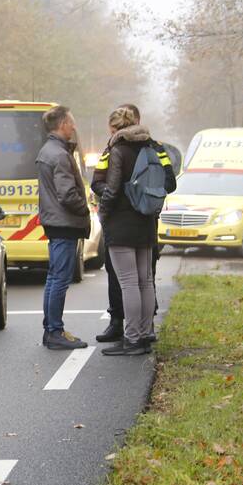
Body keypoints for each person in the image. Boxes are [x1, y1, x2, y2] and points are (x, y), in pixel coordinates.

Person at [93, 106, 175, 355]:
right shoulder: (154, 147)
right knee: (145, 281)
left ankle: (132, 339)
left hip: (122, 222)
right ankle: (145, 333)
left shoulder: (117, 149)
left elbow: (113, 187)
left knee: (128, 282)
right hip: (147, 220)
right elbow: (169, 182)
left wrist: (104, 213)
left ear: (114, 127)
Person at [35, 105, 91, 350]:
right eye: (71, 122)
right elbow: (67, 194)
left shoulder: (49, 151)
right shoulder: (58, 154)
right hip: (64, 222)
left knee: (53, 278)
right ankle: (54, 331)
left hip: (55, 221)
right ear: (61, 125)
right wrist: (85, 208)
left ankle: (51, 329)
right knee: (60, 279)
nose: (74, 126)